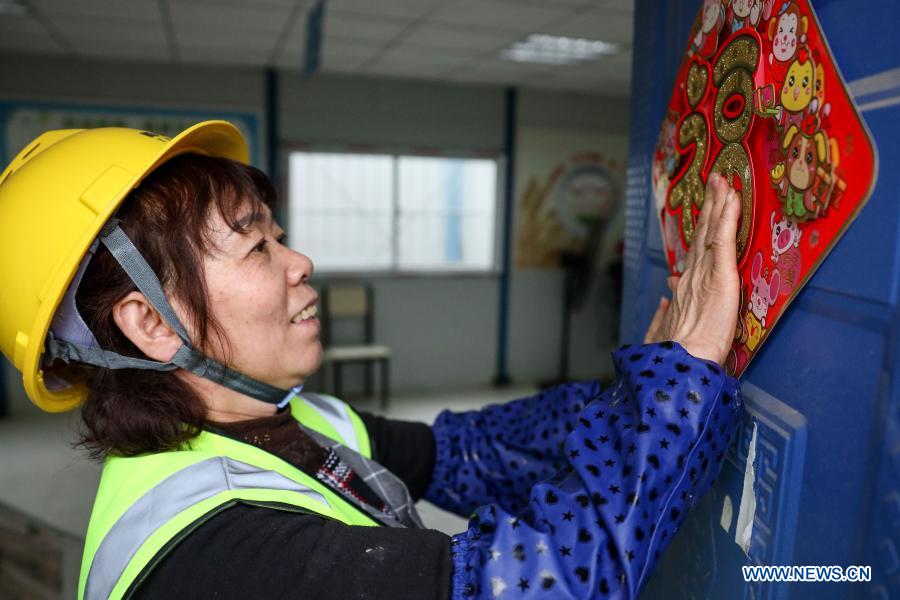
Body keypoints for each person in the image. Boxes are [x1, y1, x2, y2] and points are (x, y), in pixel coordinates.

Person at [0, 122, 742, 600]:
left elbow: (478, 452)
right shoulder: (209, 554)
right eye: (257, 246)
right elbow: (542, 587)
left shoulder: (292, 422)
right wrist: (683, 385)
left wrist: (643, 387)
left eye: (279, 236)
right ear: (151, 325)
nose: (300, 261)